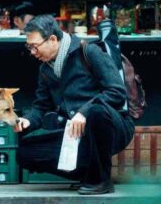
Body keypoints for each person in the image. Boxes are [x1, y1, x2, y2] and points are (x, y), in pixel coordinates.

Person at [14, 15, 134, 195]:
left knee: (96, 111)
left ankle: (101, 180)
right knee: (26, 152)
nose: (32, 52)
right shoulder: (46, 69)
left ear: (53, 39)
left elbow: (117, 92)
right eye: (28, 47)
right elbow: (41, 106)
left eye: (34, 46)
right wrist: (28, 121)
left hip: (112, 126)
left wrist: (84, 112)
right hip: (76, 134)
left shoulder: (89, 52)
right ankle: (89, 172)